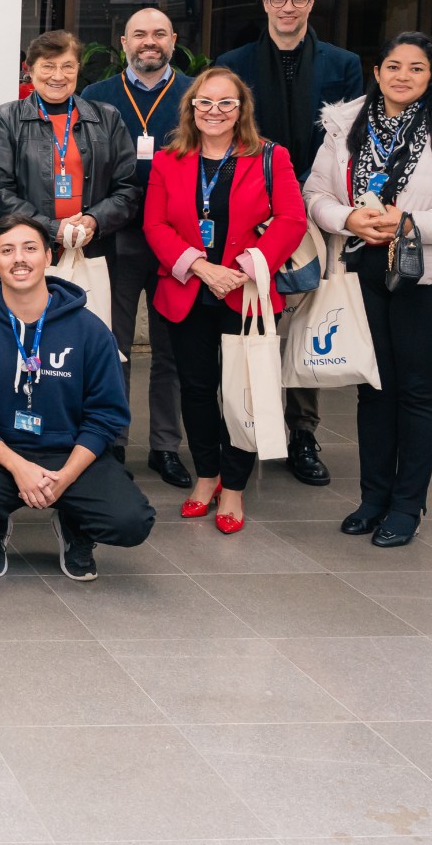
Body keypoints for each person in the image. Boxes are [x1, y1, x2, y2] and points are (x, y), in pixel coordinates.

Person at [308, 33, 432, 548]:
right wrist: (349, 217)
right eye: (393, 66)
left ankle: (407, 505)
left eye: (417, 69)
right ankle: (373, 499)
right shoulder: (346, 123)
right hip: (363, 269)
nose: (403, 76)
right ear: (376, 72)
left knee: (416, 391)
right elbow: (316, 194)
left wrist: (412, 223)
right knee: (373, 389)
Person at [216, 0, 366, 488]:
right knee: (252, 320)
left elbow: (347, 141)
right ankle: (249, 424)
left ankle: (302, 432)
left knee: (307, 319)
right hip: (247, 215)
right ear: (265, 3)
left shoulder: (342, 64)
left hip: (314, 211)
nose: (287, 7)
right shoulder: (233, 62)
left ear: (311, 3)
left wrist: (306, 198)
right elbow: (222, 134)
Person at [0, 215, 156, 580]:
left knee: (132, 520)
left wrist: (66, 477)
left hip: (70, 452)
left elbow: (106, 415)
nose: (18, 259)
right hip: (0, 455)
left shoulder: (90, 331)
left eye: (29, 249)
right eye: (7, 251)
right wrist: (18, 467)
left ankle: (75, 527)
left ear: (48, 257)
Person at [142, 68, 307, 535]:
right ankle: (206, 476)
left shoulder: (271, 157)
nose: (214, 112)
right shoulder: (169, 159)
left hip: (248, 292)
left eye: (225, 103)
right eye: (205, 103)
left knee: (244, 390)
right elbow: (155, 225)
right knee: (195, 389)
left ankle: (233, 486)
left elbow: (292, 220)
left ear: (241, 109)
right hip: (189, 289)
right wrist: (200, 267)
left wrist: (242, 270)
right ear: (191, 107)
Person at [0, 28, 139, 455]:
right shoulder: (7, 117)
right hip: (32, 255)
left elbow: (128, 188)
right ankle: (30, 439)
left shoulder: (105, 116)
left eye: (66, 65)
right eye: (47, 66)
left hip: (96, 252)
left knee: (104, 348)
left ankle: (106, 449)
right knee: (36, 348)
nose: (57, 74)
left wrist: (92, 220)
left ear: (78, 69)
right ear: (30, 70)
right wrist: (50, 230)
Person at [80, 8, 195, 490]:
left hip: (179, 242)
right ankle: (113, 443)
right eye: (140, 34)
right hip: (116, 239)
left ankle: (166, 447)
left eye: (159, 34)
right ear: (123, 41)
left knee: (172, 351)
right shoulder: (97, 96)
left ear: (173, 40)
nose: (150, 42)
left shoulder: (196, 93)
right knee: (115, 348)